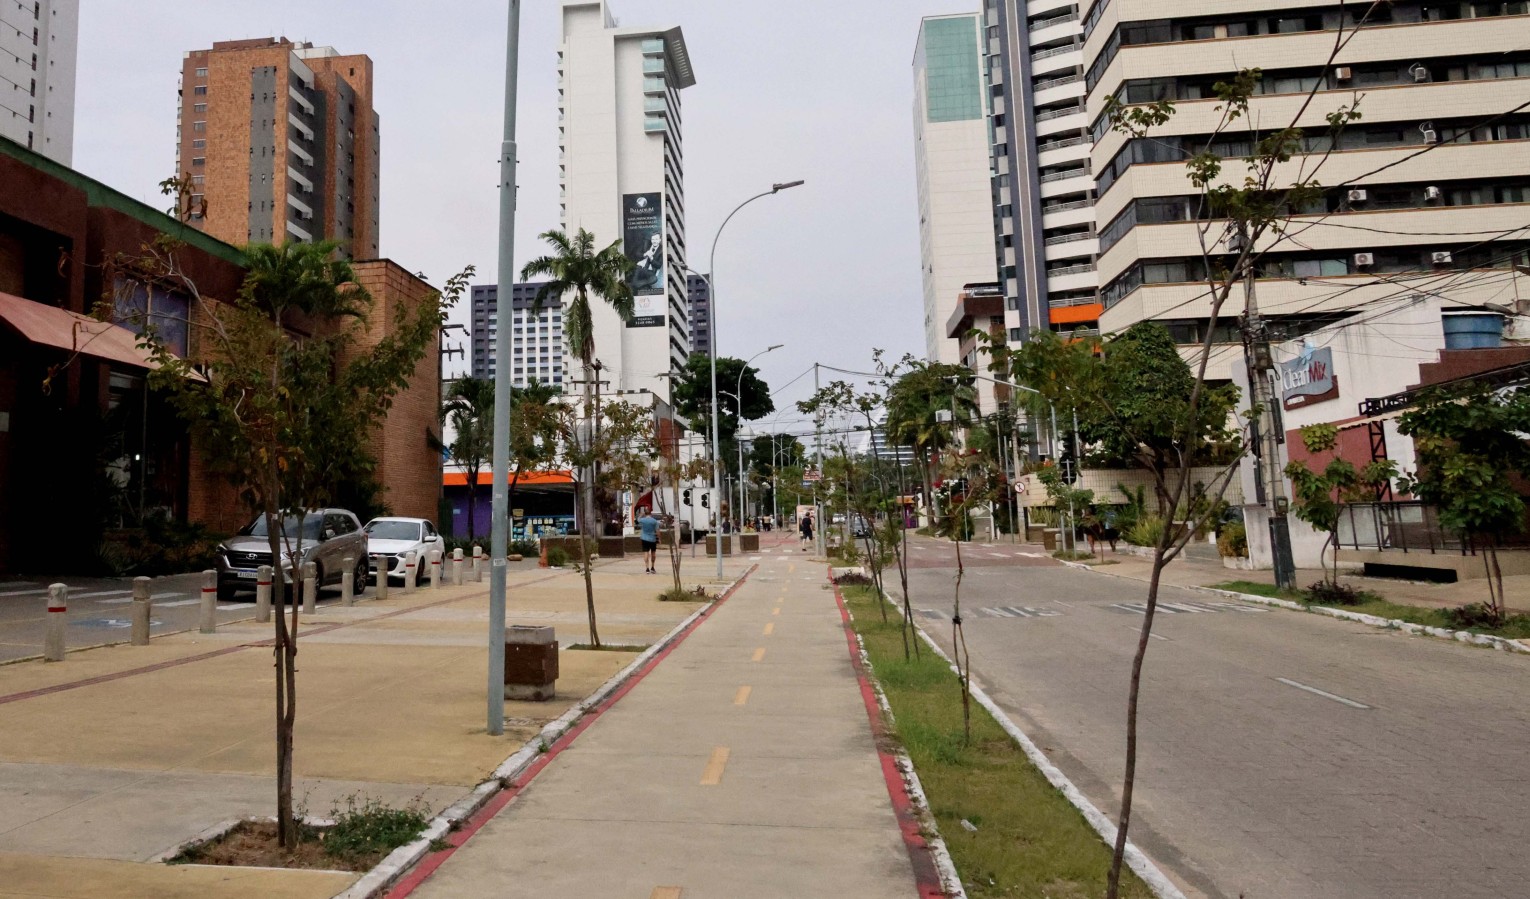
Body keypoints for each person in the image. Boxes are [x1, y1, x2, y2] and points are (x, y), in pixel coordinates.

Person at [637, 508, 661, 574]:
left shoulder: (643, 520)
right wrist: (659, 538)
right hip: (652, 539)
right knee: (653, 553)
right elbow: (657, 531)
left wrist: (641, 515)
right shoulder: (654, 521)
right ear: (651, 513)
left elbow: (638, 520)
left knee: (646, 553)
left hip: (644, 538)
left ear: (645, 513)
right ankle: (652, 567)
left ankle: (647, 568)